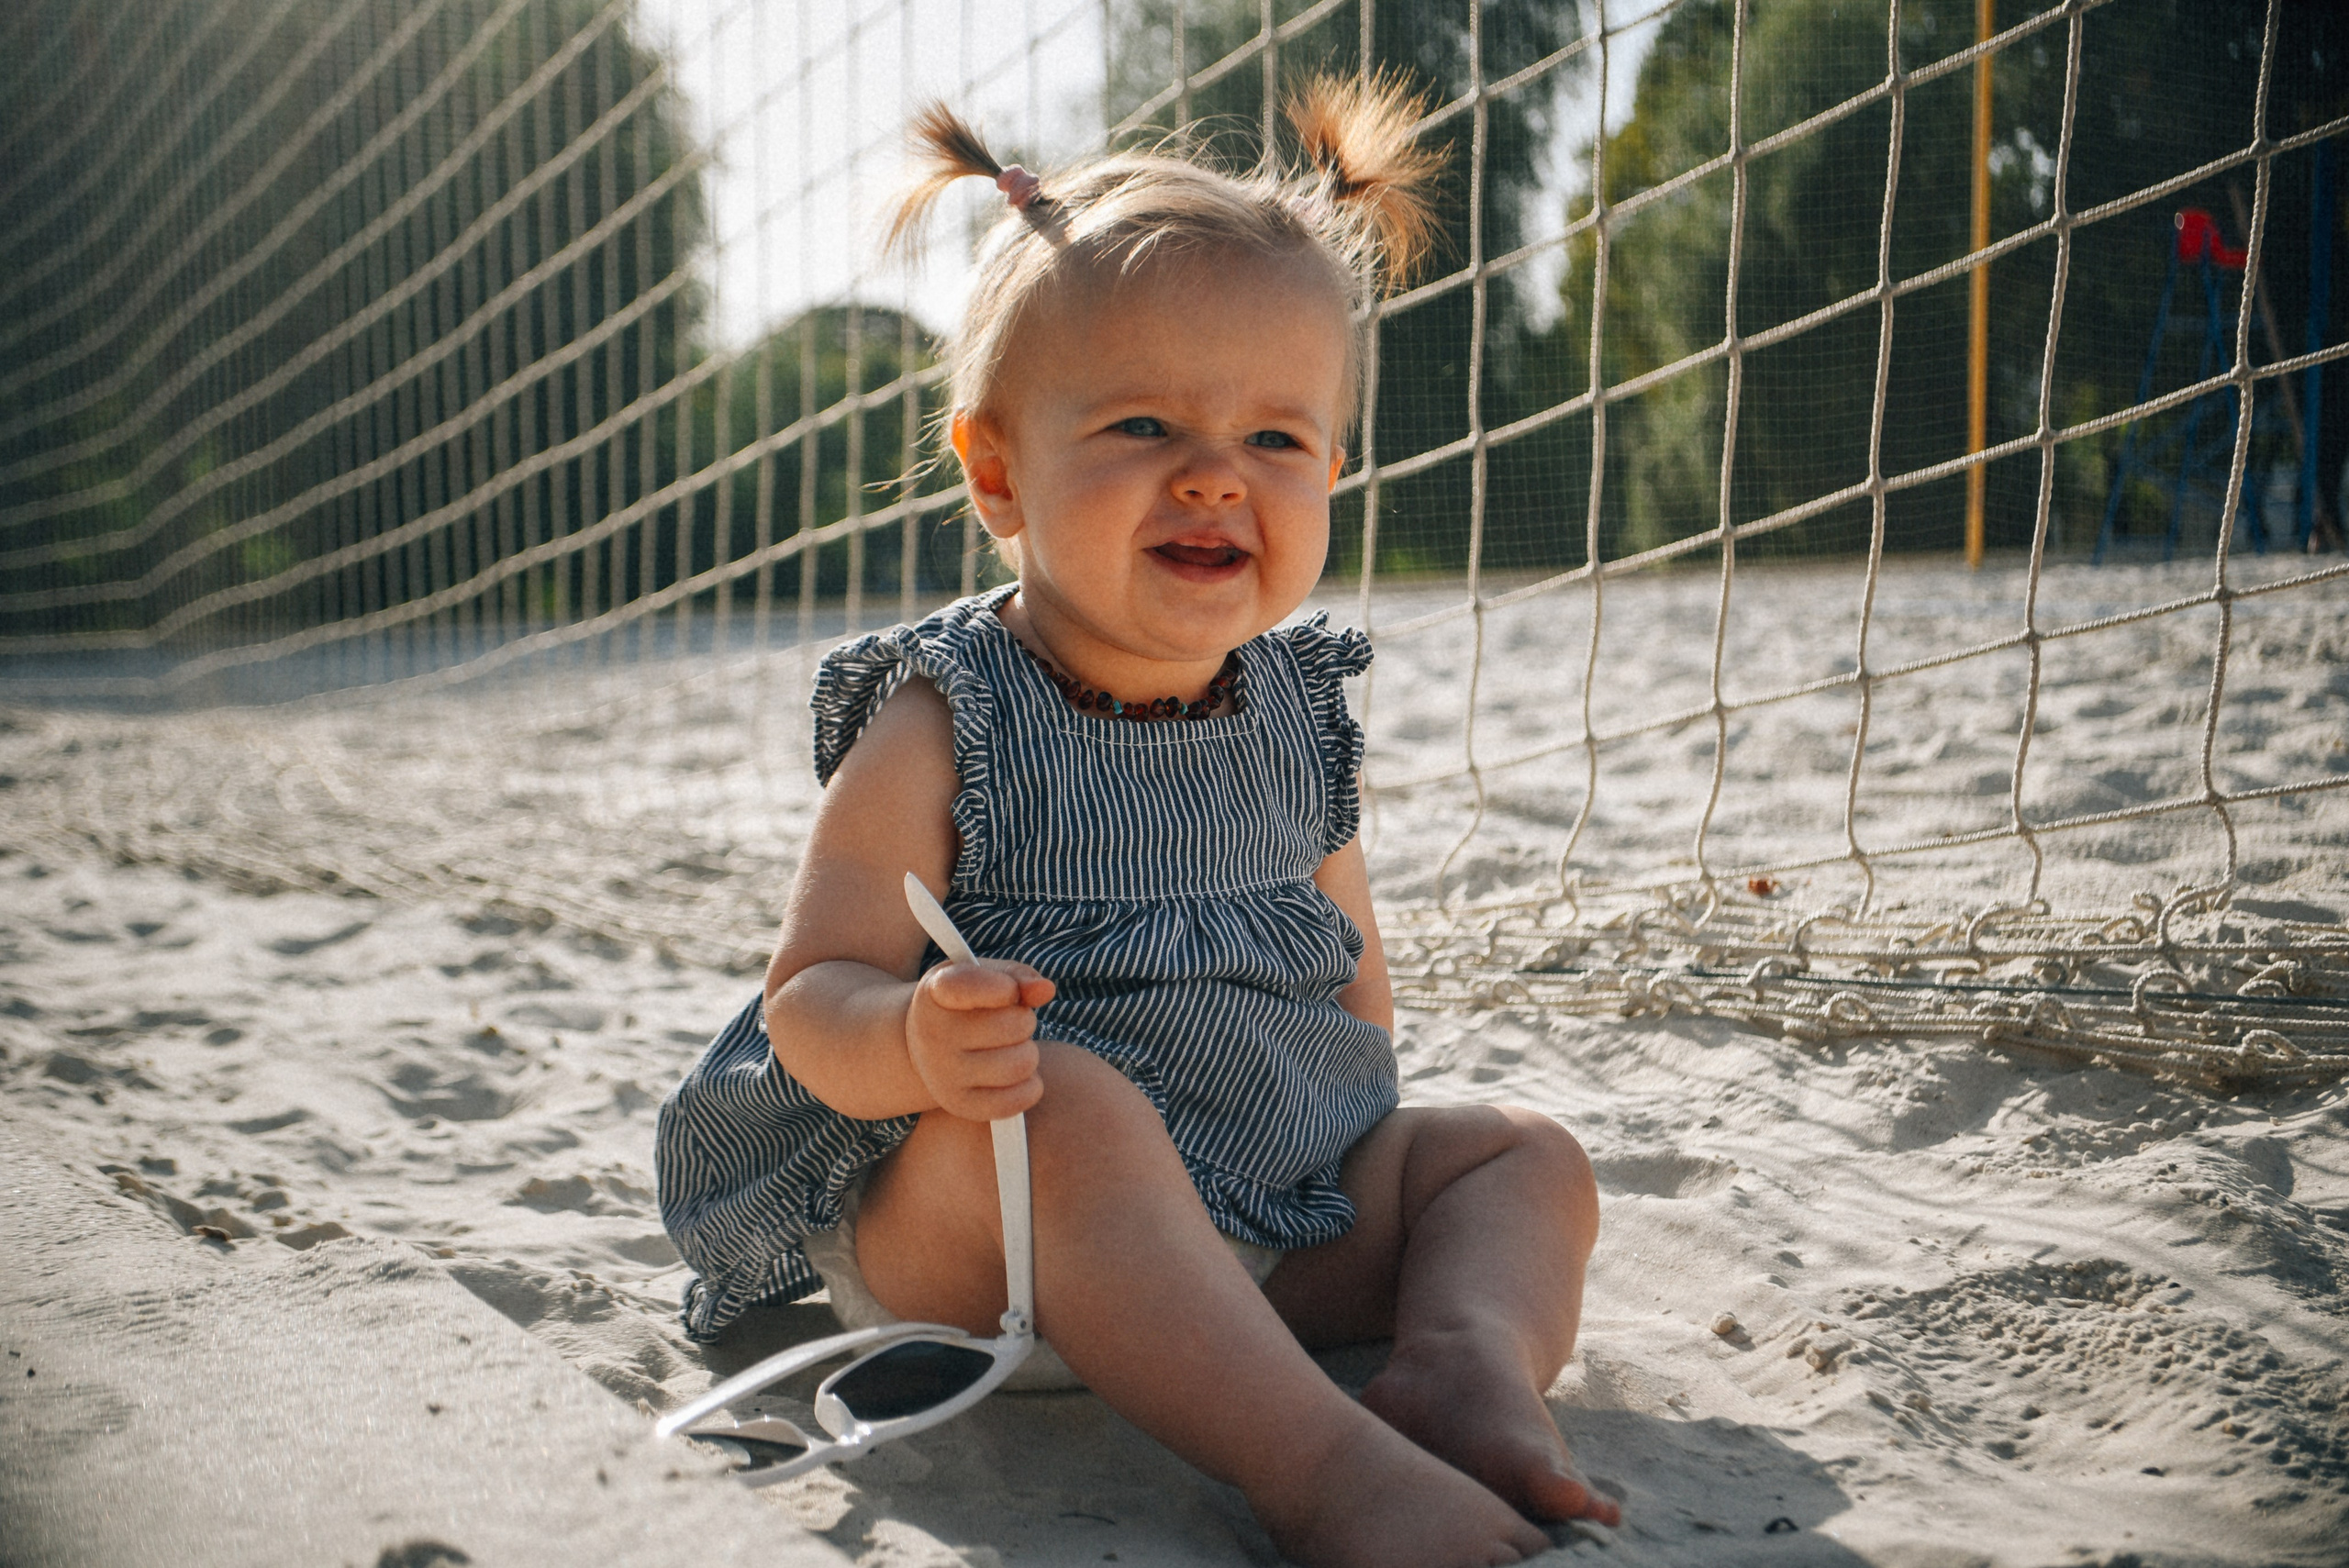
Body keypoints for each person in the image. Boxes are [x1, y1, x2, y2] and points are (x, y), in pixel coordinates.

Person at [657, 74, 1617, 1568]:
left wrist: (1367, 1177)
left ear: (1333, 471)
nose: (1216, 473)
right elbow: (806, 997)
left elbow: (1351, 985)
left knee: (1519, 1158)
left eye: (1278, 441)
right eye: (1147, 422)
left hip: (1259, 1229)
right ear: (997, 473)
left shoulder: (1297, 710)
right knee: (1074, 1095)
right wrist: (911, 1040)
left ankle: (1466, 1360)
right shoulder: (948, 712)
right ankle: (1318, 1465)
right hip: (992, 1236)